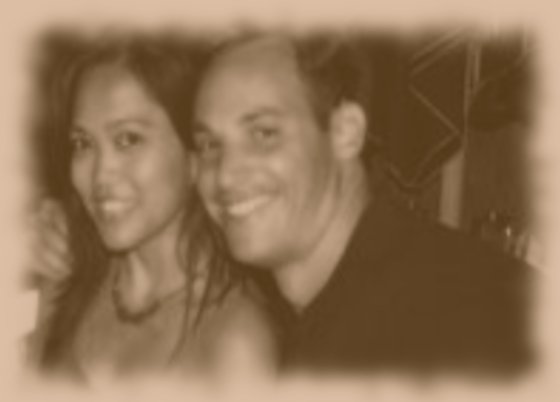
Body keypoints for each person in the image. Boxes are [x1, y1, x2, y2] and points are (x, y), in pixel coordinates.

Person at [191, 32, 534, 376]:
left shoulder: (449, 325)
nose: (225, 176)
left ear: (346, 132)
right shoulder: (340, 308)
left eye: (264, 134)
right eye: (209, 145)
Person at [27, 35, 274, 381]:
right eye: (82, 144)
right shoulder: (66, 275)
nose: (100, 174)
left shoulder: (236, 340)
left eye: (128, 139)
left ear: (194, 157)